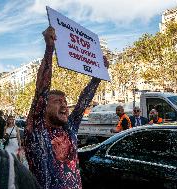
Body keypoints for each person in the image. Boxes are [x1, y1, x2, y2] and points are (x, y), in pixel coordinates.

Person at [24, 26, 108, 189]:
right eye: (57, 101)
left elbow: (83, 100)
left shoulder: (69, 128)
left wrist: (97, 77)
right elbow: (41, 90)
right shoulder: (36, 131)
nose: (64, 105)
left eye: (64, 101)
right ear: (44, 107)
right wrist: (49, 50)